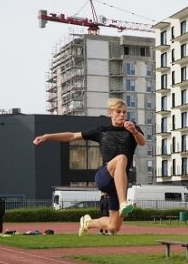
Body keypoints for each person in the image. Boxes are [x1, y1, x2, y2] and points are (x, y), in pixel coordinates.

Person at [33, 98, 146, 236]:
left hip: (119, 184)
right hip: (104, 176)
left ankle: (87, 223)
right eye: (119, 112)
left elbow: (142, 142)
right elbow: (72, 136)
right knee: (121, 158)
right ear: (110, 112)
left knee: (114, 226)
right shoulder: (102, 131)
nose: (122, 115)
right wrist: (47, 136)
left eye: (125, 112)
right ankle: (123, 203)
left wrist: (134, 131)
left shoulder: (132, 128)